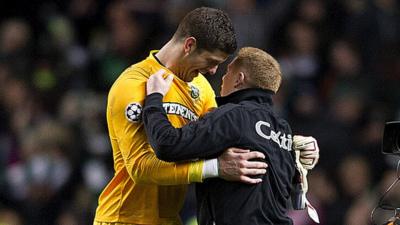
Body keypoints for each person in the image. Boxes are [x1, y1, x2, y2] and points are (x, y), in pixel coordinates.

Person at [93, 7, 269, 225]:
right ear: (189, 45)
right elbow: (140, 168)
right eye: (211, 61)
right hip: (123, 218)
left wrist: (289, 143)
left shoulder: (201, 88)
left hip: (169, 219)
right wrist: (215, 168)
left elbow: (228, 137)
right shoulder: (133, 84)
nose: (214, 71)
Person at [142, 47, 319, 224]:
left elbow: (167, 144)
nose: (222, 78)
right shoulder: (283, 130)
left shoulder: (233, 116)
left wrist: (154, 98)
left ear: (239, 79)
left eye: (227, 71)